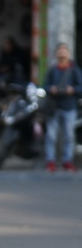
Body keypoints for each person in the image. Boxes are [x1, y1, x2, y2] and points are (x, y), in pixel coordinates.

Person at [43, 42, 82, 172]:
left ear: (68, 53)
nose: (62, 53)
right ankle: (50, 162)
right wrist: (51, 89)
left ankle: (67, 161)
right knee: (51, 136)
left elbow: (80, 87)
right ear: (56, 53)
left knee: (69, 136)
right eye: (60, 50)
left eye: (64, 50)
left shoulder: (74, 70)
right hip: (54, 107)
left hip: (69, 107)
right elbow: (45, 86)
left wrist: (73, 90)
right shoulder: (52, 70)